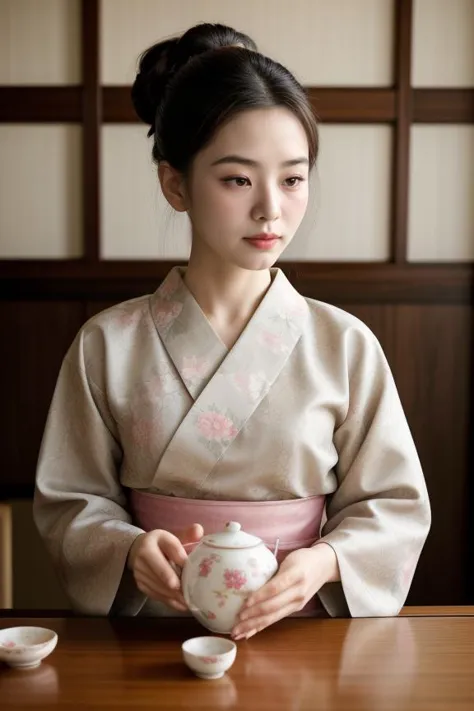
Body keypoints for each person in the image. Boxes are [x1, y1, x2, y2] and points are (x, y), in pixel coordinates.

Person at [33, 23, 431, 640]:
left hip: (304, 628)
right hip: (152, 630)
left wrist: (323, 561)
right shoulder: (106, 344)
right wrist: (130, 551)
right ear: (175, 184)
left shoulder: (345, 344)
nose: (271, 208)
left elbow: (394, 507)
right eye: (238, 179)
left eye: (293, 178)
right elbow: (71, 505)